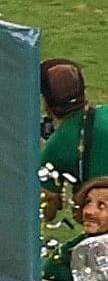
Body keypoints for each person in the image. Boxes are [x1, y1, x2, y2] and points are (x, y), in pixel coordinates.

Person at [45, 60, 107, 221]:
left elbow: (45, 212)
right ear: (84, 94)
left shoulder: (55, 147)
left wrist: (57, 200)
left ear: (46, 104)